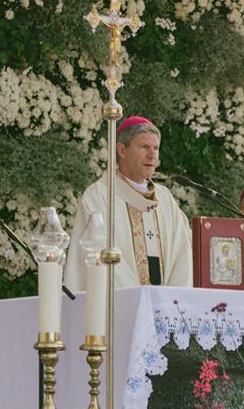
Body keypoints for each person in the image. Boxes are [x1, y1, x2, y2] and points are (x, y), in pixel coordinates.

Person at [64, 116, 192, 290]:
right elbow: (98, 253)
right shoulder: (99, 196)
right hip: (121, 301)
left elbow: (183, 252)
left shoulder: (165, 199)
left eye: (156, 148)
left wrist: (172, 298)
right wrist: (137, 296)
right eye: (144, 147)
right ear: (122, 150)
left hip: (167, 303)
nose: (152, 155)